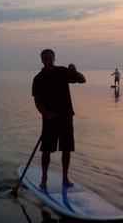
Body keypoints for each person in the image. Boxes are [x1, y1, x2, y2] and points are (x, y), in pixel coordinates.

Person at [32, 49, 86, 189]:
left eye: (50, 57)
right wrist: (45, 113)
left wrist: (74, 71)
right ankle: (44, 178)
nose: (47, 59)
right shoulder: (38, 78)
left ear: (54, 58)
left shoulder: (62, 71)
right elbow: (37, 101)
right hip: (49, 119)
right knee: (46, 150)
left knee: (66, 149)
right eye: (45, 58)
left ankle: (65, 178)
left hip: (66, 116)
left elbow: (82, 80)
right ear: (42, 60)